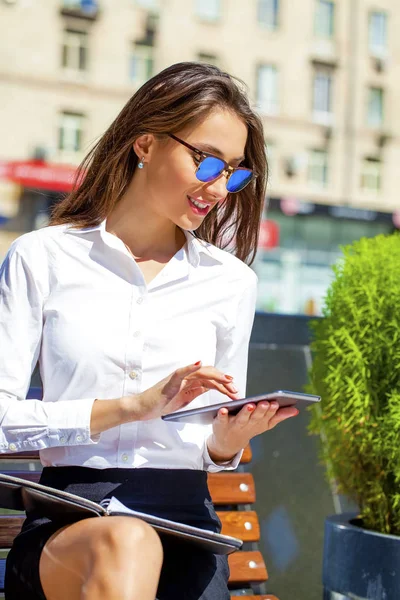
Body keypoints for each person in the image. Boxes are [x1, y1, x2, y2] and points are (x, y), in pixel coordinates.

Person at [0, 62, 298, 600]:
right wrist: (130, 407)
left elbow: (210, 439)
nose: (219, 186)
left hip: (188, 524)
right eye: (206, 160)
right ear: (144, 143)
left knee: (142, 547)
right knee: (128, 543)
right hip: (72, 526)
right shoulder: (42, 258)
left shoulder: (231, 282)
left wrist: (227, 444)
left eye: (234, 171)